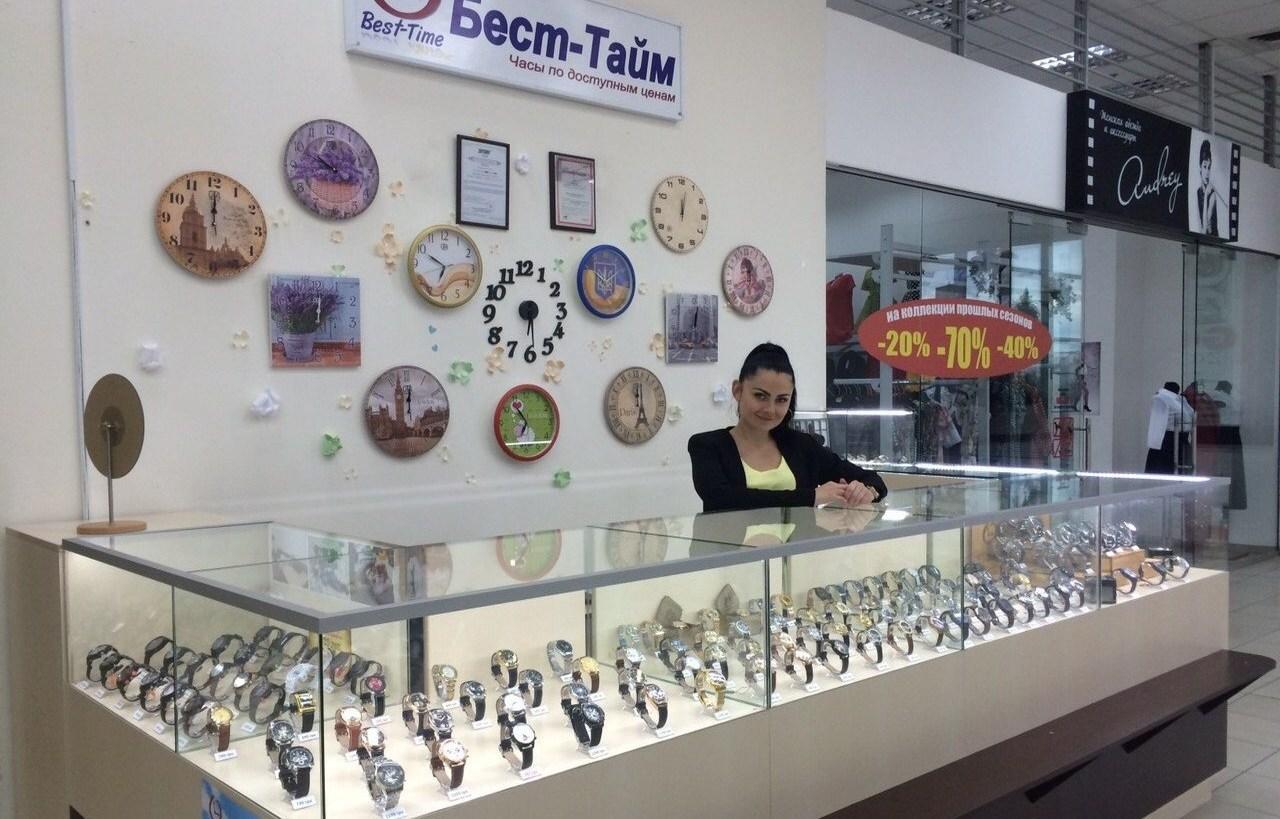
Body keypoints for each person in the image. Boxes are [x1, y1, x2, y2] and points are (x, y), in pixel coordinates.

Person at [688, 342, 887, 512]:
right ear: (738, 390)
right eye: (760, 396)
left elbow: (873, 480)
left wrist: (867, 491)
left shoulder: (802, 446)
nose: (770, 409)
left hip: (797, 548)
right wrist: (812, 496)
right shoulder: (706, 446)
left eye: (781, 400)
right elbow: (723, 500)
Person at [1193, 139, 1228, 237]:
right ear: (1200, 167)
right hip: (1203, 242)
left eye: (1209, 167)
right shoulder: (1198, 192)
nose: (1207, 172)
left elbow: (1205, 230)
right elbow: (1201, 229)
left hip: (1214, 242)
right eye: (1205, 167)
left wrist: (1206, 196)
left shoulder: (1213, 195)